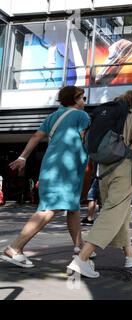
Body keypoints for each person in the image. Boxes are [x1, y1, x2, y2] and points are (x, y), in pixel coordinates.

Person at [67, 90, 132, 278]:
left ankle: (129, 255)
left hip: (104, 168)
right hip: (124, 168)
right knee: (113, 212)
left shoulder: (106, 115)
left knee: (122, 212)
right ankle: (82, 259)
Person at [0, 86, 92, 268]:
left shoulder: (53, 116)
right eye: (83, 98)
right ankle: (14, 247)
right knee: (50, 209)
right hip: (67, 168)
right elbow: (86, 142)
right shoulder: (82, 116)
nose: (84, 101)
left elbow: (36, 136)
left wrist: (22, 157)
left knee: (73, 208)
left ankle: (80, 246)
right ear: (75, 99)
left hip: (52, 165)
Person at [81, 161, 100, 226]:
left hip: (98, 175)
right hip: (101, 175)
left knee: (92, 196)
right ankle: (90, 217)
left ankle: (90, 217)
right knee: (94, 196)